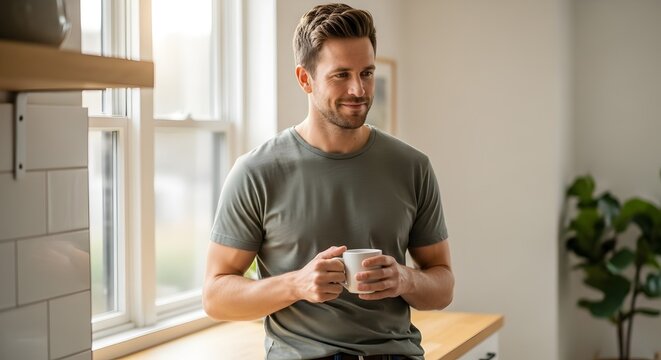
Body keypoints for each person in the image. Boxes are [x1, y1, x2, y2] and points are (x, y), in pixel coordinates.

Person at [203, 3, 454, 360]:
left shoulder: (412, 166)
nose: (359, 89)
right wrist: (297, 284)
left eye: (366, 73)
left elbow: (443, 286)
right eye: (341, 75)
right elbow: (215, 297)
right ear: (305, 79)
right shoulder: (256, 171)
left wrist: (405, 279)